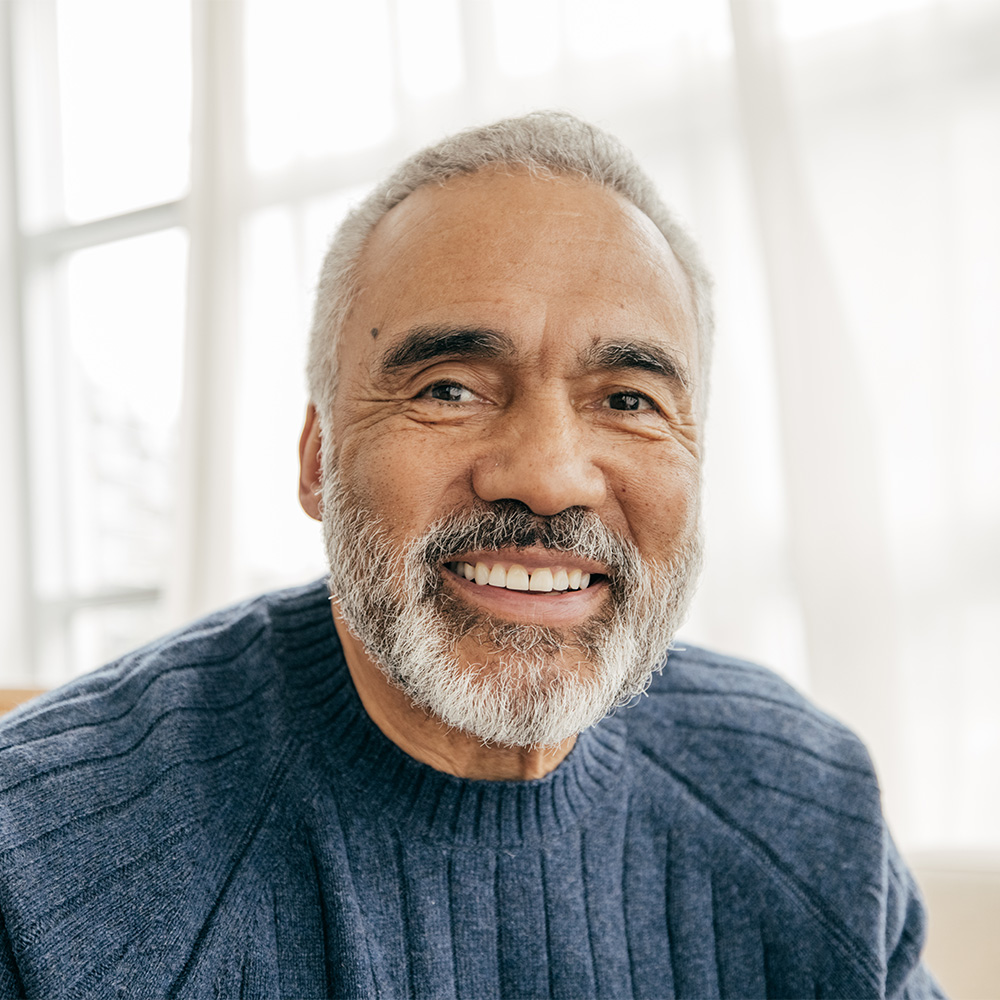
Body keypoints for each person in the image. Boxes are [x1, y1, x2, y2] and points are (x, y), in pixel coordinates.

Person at [0, 112, 941, 999]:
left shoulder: (808, 803)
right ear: (319, 459)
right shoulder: (41, 866)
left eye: (627, 400)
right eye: (449, 388)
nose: (548, 477)